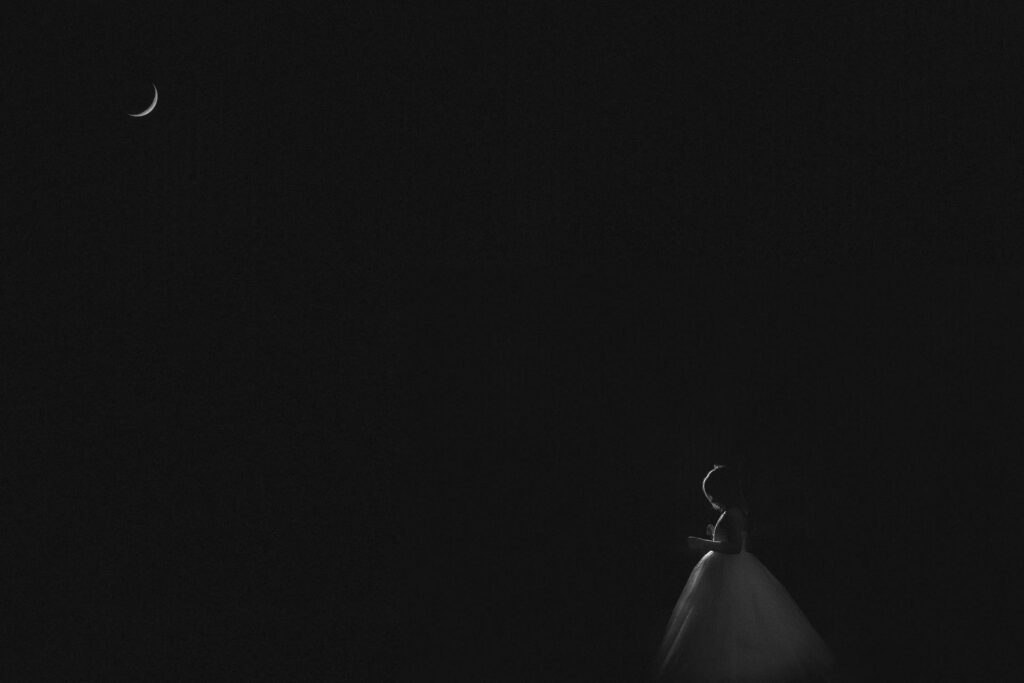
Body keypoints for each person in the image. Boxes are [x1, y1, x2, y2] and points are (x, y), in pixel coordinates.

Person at [653, 465, 835, 682]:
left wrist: (702, 542)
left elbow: (735, 548)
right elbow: (730, 541)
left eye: (711, 494)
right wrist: (714, 534)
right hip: (723, 570)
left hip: (731, 570)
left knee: (733, 617)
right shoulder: (731, 513)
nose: (710, 498)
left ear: (722, 492)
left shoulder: (733, 513)